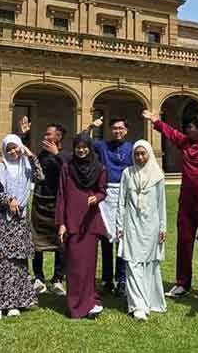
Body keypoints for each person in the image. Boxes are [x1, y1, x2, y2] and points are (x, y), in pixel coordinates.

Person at [142, 109, 198, 300]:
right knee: (184, 244)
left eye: (190, 127)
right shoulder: (185, 143)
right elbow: (169, 132)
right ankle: (182, 283)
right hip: (186, 203)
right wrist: (156, 121)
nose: (186, 129)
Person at [0, 133, 45, 319]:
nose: (13, 151)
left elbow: (40, 176)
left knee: (18, 262)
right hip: (1, 222)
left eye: (15, 147)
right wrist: (7, 199)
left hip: (19, 222)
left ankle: (15, 303)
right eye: (8, 149)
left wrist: (29, 153)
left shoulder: (26, 168)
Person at [56, 131, 109, 319]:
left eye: (85, 146)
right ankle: (76, 305)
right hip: (72, 221)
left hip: (90, 222)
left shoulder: (99, 168)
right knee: (75, 266)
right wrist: (61, 223)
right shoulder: (67, 168)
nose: (81, 150)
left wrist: (97, 197)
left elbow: (103, 190)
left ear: (90, 147)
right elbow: (61, 196)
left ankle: (89, 301)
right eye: (78, 147)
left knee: (88, 266)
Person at [116, 140, 167, 321]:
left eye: (143, 153)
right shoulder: (127, 174)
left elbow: (161, 204)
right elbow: (121, 201)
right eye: (136, 154)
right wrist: (119, 226)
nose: (139, 157)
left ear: (149, 154)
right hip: (131, 224)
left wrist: (163, 226)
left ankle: (150, 301)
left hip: (151, 226)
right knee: (133, 262)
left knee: (150, 263)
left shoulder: (157, 175)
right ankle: (137, 305)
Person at [93, 117, 133, 295]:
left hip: (125, 193)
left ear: (126, 130)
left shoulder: (131, 148)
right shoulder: (103, 146)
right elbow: (82, 141)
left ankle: (122, 279)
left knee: (123, 238)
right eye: (114, 128)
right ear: (110, 130)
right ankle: (108, 280)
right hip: (106, 192)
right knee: (106, 237)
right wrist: (91, 127)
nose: (117, 131)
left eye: (120, 128)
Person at [29, 122, 70, 295]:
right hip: (40, 201)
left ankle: (58, 279)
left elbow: (70, 173)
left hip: (57, 202)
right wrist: (23, 136)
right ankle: (38, 278)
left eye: (48, 134)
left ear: (58, 137)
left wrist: (57, 155)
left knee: (60, 242)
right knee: (37, 242)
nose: (45, 137)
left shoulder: (65, 155)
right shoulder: (42, 155)